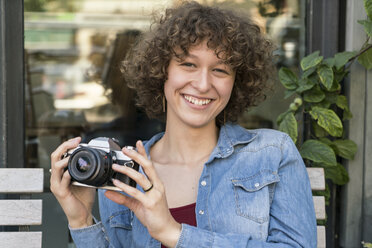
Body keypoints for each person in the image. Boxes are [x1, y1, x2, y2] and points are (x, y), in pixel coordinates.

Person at [50, 1, 317, 247]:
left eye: (220, 70)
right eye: (188, 64)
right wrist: (81, 221)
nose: (202, 84)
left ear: (237, 82)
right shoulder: (126, 171)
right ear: (161, 71)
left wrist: (173, 233)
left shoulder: (272, 153)